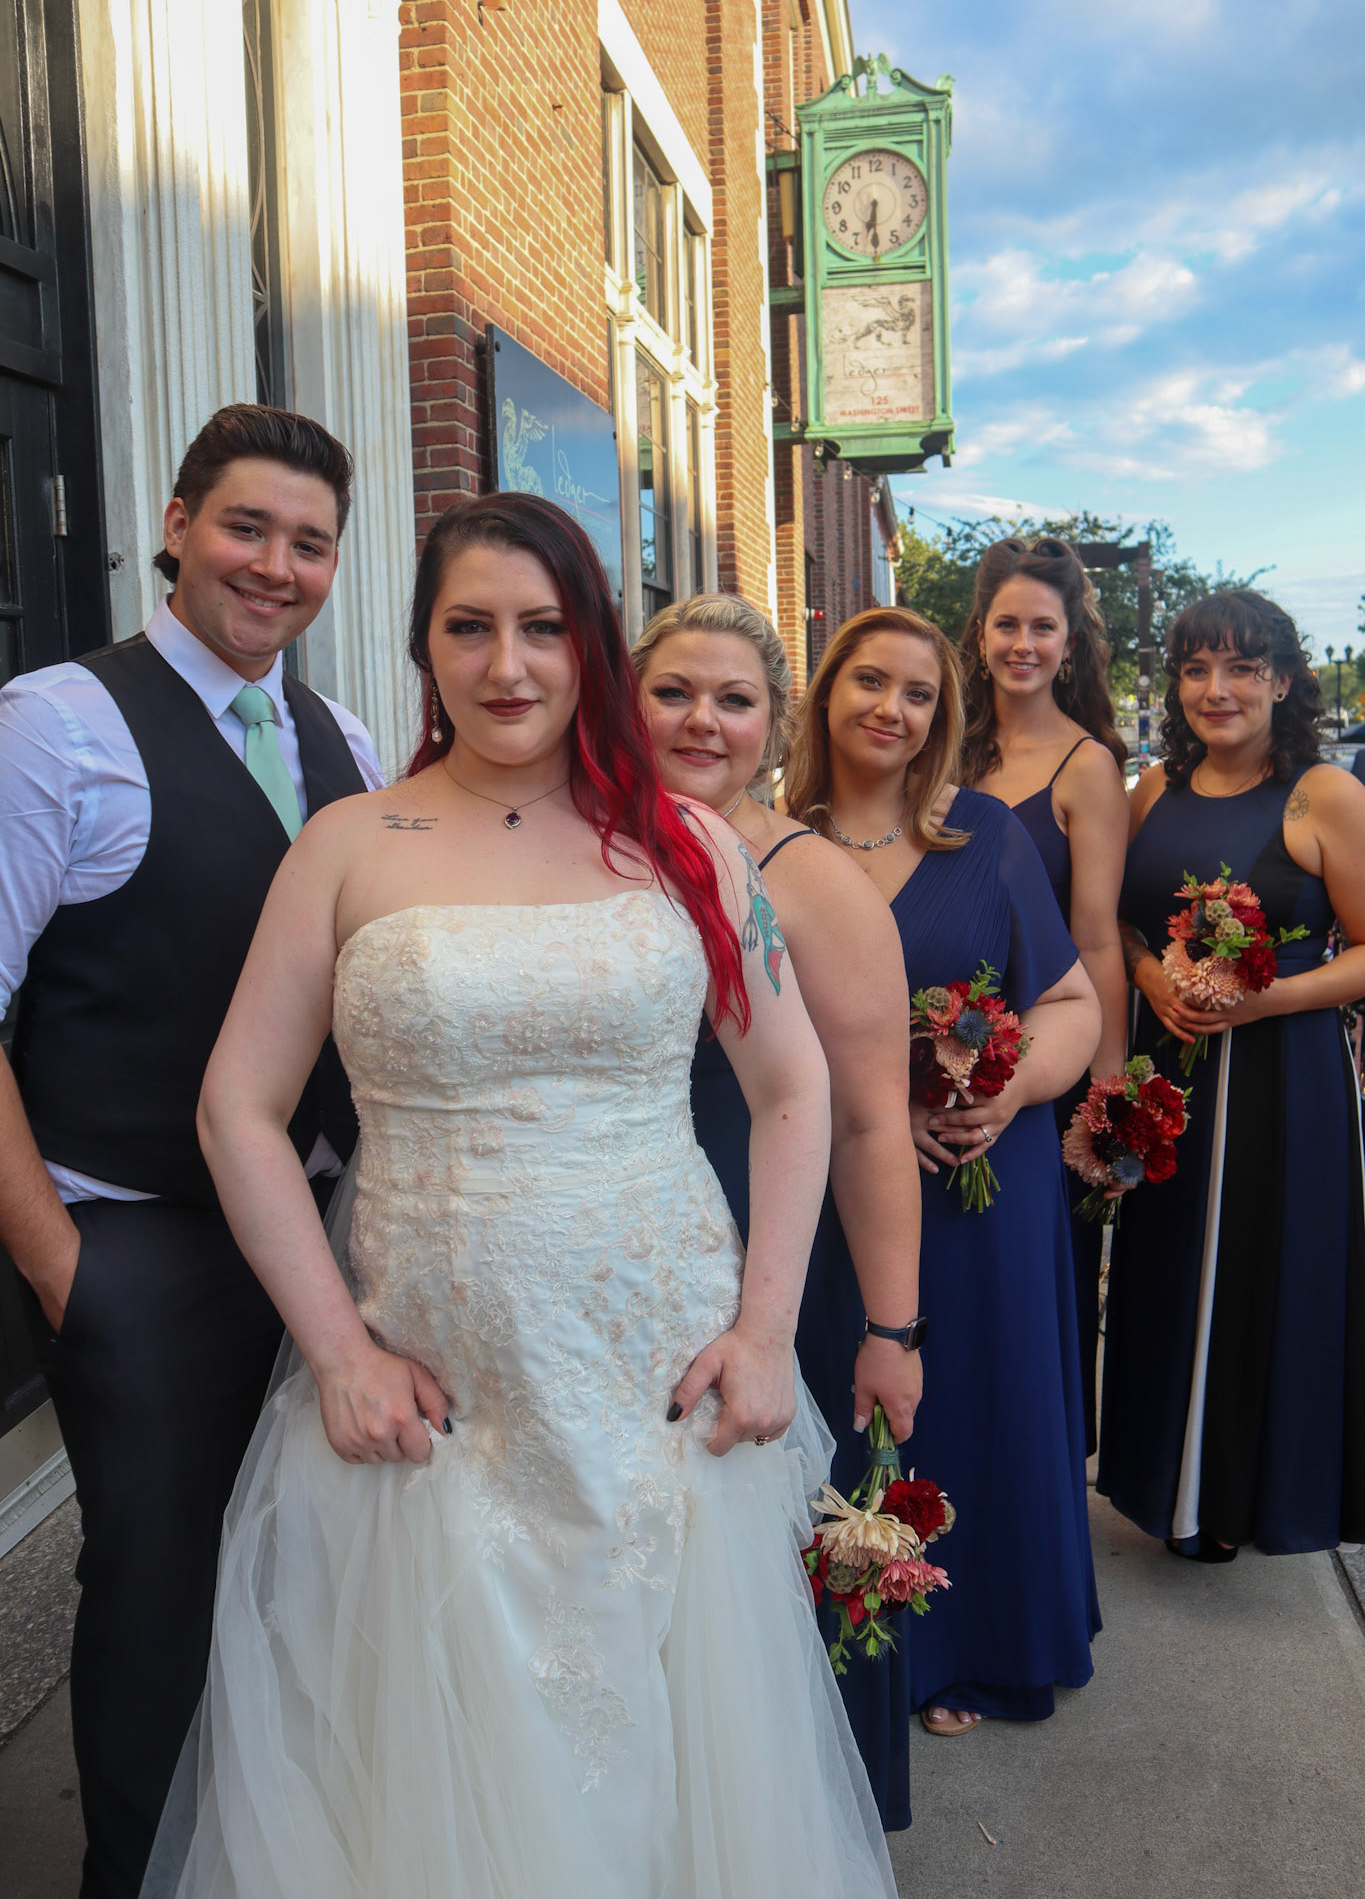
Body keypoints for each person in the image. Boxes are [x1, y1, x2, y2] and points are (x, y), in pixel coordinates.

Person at [146, 496, 897, 1898]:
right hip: (432, 1394)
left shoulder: (688, 842)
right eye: (469, 627)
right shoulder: (346, 844)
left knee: (666, 1744)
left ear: (591, 643)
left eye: (543, 628)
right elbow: (235, 1111)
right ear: (422, 645)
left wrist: (765, 1329)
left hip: (655, 1379)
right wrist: (339, 1353)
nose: (507, 666)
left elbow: (796, 1088)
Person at [0, 405, 381, 1899]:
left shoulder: (345, 741)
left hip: (325, 1233)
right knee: (158, 1591)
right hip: (139, 1235)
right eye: (246, 527)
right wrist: (65, 1266)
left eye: (310, 543)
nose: (276, 566)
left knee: (305, 1572)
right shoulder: (55, 725)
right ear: (175, 526)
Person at [784, 607, 1102, 1736]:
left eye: (918, 693)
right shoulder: (771, 839)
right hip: (833, 1188)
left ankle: (973, 1646)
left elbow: (1069, 1000)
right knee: (853, 1403)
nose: (892, 708)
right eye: (870, 681)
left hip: (979, 1182)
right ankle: (859, 1648)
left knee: (978, 1403)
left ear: (941, 716)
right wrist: (867, 1106)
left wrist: (1003, 1093)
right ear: (826, 692)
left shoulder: (986, 833)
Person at [634, 591, 923, 1829]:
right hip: (622, 1267)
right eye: (672, 691)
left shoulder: (815, 883)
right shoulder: (583, 841)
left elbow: (867, 1126)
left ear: (774, 725)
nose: (702, 719)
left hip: (782, 1272)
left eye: (734, 699)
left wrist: (892, 1330)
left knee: (770, 1575)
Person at [1101, 589, 1365, 1558]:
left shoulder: (1321, 795)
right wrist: (1146, 977)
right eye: (1196, 669)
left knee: (1266, 1274)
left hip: (1284, 1079)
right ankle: (1164, 1487)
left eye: (1242, 668)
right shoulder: (1151, 790)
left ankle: (1246, 1502)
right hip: (1168, 1066)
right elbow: (1114, 919)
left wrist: (1264, 1000)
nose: (1216, 689)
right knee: (1164, 1266)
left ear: (1282, 681)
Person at [959, 536, 1130, 1454]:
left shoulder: (1086, 766)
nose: (1022, 644)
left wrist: (1104, 1091)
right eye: (1006, 624)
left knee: (1041, 1278)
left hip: (1043, 1060)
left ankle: (1041, 1466)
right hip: (935, 1048)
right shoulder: (944, 743)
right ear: (979, 632)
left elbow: (1096, 937)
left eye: (1042, 627)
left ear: (1069, 643)